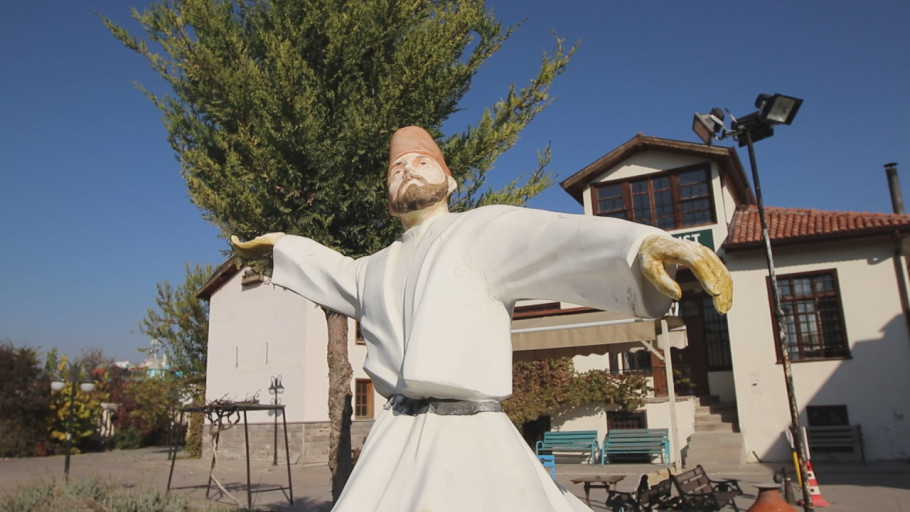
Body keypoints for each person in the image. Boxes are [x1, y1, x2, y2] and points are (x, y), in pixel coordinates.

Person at [232, 126, 732, 511]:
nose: (407, 170)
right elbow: (331, 270)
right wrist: (280, 249)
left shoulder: (482, 231)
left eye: (421, 162)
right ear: (387, 194)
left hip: (471, 433)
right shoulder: (373, 269)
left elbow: (556, 239)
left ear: (449, 180)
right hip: (395, 438)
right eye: (397, 167)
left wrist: (642, 246)